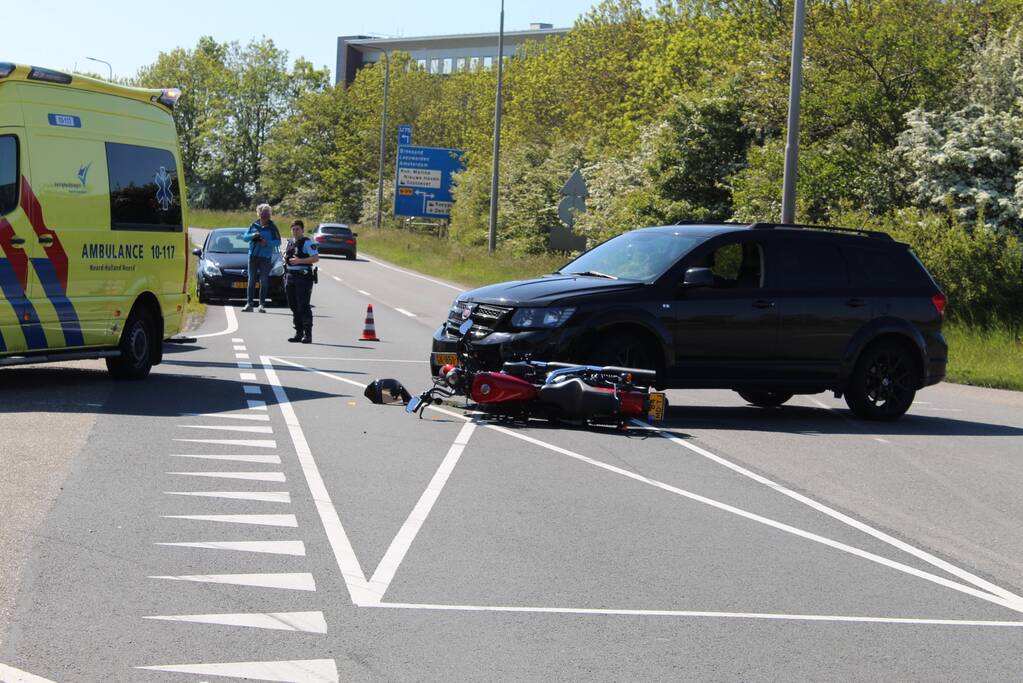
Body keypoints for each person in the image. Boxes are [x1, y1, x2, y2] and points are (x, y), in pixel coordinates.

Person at [284, 220, 319, 343]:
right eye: (293, 229)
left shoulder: (307, 242)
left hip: (303, 277)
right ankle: (298, 333)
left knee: (303, 305)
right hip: (290, 276)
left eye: (297, 229)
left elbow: (315, 258)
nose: (295, 231)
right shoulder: (290, 242)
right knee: (293, 305)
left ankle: (307, 334)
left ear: (302, 230)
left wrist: (300, 261)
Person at [241, 204, 282, 312]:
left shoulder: (273, 227)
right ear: (259, 214)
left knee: (264, 281)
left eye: (267, 215)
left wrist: (266, 243)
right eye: (262, 214)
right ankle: (249, 304)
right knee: (251, 280)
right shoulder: (253, 225)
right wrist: (252, 236)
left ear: (270, 215)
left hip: (266, 257)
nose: (264, 217)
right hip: (253, 256)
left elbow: (278, 242)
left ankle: (261, 305)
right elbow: (245, 238)